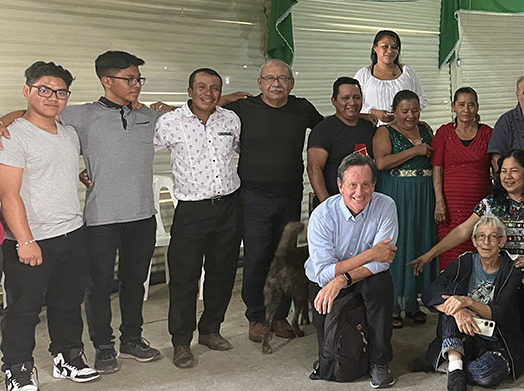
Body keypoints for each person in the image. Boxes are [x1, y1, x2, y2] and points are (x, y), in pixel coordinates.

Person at [0, 51, 168, 374]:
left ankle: (131, 339)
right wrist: (3, 121)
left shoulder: (145, 116)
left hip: (138, 216)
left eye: (138, 79)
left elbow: (188, 114)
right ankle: (102, 346)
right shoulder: (80, 117)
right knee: (97, 285)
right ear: (107, 81)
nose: (136, 85)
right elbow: (34, 116)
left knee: (132, 281)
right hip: (98, 220)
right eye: (128, 79)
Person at [0, 62, 99, 391]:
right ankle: (17, 367)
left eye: (60, 92)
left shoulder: (69, 133)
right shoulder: (13, 136)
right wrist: (25, 241)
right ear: (27, 91)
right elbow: (8, 194)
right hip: (29, 239)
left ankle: (68, 356)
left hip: (72, 232)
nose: (52, 97)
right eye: (44, 89)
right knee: (23, 309)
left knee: (68, 303)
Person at [411, 149, 524, 349]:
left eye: (514, 171)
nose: (507, 176)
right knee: (496, 333)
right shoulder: (490, 203)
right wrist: (430, 254)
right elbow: (463, 230)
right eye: (503, 171)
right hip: (499, 280)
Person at [225, 59, 322, 344]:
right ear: (259, 83)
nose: (276, 83)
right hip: (253, 198)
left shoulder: (302, 108)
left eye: (282, 78)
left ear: (291, 84)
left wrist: (367, 118)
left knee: (285, 258)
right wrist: (227, 97)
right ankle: (256, 317)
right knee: (256, 258)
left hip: (289, 195)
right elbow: (202, 104)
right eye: (269, 78)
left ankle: (279, 316)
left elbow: (332, 127)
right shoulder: (243, 109)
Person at [153, 68, 242, 369]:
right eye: (201, 87)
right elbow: (141, 152)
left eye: (214, 87)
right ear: (189, 91)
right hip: (191, 211)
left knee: (222, 273)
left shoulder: (230, 120)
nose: (208, 93)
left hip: (229, 206)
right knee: (184, 277)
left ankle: (210, 330)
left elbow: (241, 151)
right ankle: (181, 342)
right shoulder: (170, 123)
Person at [306, 152, 398, 389]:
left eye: (366, 184)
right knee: (330, 348)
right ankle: (332, 358)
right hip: (323, 280)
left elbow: (383, 262)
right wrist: (369, 254)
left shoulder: (386, 205)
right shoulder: (322, 216)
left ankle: (379, 361)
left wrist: (344, 278)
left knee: (381, 285)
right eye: (352, 185)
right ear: (339, 186)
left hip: (362, 276)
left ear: (374, 185)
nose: (360, 192)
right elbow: (324, 273)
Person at [418, 215, 524, 391]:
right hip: (462, 332)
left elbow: (500, 312)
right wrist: (459, 309)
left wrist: (468, 301)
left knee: (485, 374)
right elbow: (430, 292)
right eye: (481, 236)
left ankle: (448, 363)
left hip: (496, 340)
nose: (486, 242)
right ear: (474, 241)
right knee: (451, 303)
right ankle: (455, 365)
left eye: (493, 237)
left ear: (502, 241)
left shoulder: (512, 270)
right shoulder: (465, 262)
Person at [372, 89, 436, 327]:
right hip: (397, 194)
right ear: (395, 111)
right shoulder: (384, 131)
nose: (411, 115)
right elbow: (382, 162)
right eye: (405, 111)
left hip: (424, 194)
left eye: (415, 110)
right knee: (398, 244)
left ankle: (412, 301)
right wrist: (415, 150)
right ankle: (393, 305)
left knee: (420, 241)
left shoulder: (426, 130)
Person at [431, 87, 493, 270]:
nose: (466, 109)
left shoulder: (488, 133)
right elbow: (437, 170)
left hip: (480, 206)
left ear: (477, 108)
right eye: (461, 104)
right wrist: (439, 202)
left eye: (471, 105)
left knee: (480, 249)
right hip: (450, 207)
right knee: (450, 255)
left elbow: (497, 168)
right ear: (453, 107)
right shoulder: (443, 133)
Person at [307, 76, 376, 208]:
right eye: (345, 98)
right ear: (334, 101)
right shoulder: (323, 130)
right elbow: (314, 168)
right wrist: (327, 205)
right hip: (333, 203)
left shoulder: (369, 127)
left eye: (356, 97)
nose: (352, 102)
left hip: (364, 204)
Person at [354, 30, 427, 125]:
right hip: (372, 129)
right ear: (375, 48)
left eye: (394, 47)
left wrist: (405, 113)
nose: (390, 51)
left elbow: (421, 99)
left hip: (404, 130)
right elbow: (353, 104)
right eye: (385, 47)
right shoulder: (364, 74)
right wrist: (373, 112)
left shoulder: (406, 72)